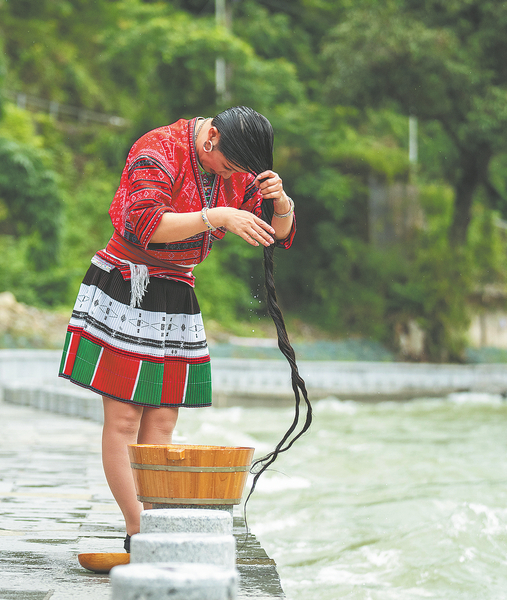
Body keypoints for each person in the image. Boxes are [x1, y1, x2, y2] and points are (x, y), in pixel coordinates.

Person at [58, 106, 296, 551]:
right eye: (228, 166)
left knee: (164, 420)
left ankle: (155, 524)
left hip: (177, 290)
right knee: (124, 418)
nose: (232, 176)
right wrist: (218, 216)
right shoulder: (158, 149)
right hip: (128, 280)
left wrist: (280, 202)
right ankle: (136, 530)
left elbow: (277, 233)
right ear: (211, 141)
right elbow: (149, 226)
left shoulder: (236, 168)